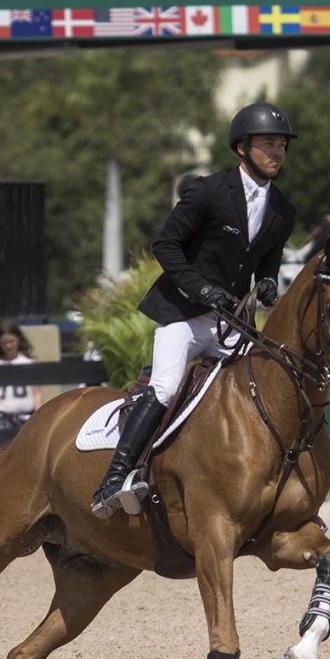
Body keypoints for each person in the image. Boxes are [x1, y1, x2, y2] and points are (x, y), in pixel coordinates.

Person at [91, 101, 297, 519]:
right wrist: (202, 288)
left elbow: (267, 256)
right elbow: (165, 246)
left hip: (231, 323)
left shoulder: (283, 209)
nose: (277, 152)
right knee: (166, 386)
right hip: (182, 314)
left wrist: (270, 281)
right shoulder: (208, 191)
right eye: (268, 144)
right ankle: (115, 479)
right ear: (242, 148)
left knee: (266, 384)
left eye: (282, 145)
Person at [0, 319, 43, 432]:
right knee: (0, 448)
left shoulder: (28, 363)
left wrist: (39, 418)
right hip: (2, 415)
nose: (8, 345)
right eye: (4, 343)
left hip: (25, 416)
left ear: (18, 339)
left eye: (11, 341)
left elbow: (37, 394)